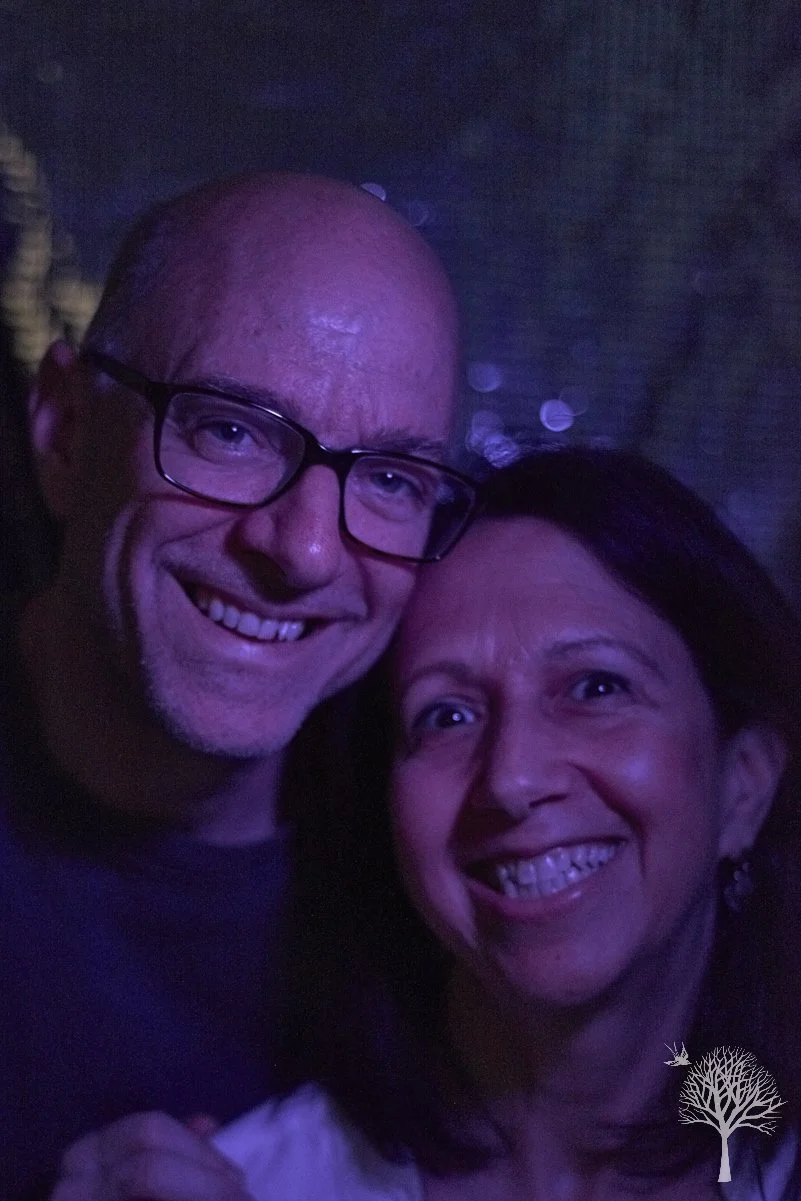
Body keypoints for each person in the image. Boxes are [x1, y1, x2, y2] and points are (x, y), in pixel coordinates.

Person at [52, 446, 801, 1200]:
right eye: (445, 716)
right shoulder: (259, 1182)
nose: (511, 778)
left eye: (596, 688)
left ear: (744, 783)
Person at [1, 170, 478, 1201]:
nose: (304, 550)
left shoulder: (453, 882)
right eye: (231, 427)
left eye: (390, 479)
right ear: (66, 430)